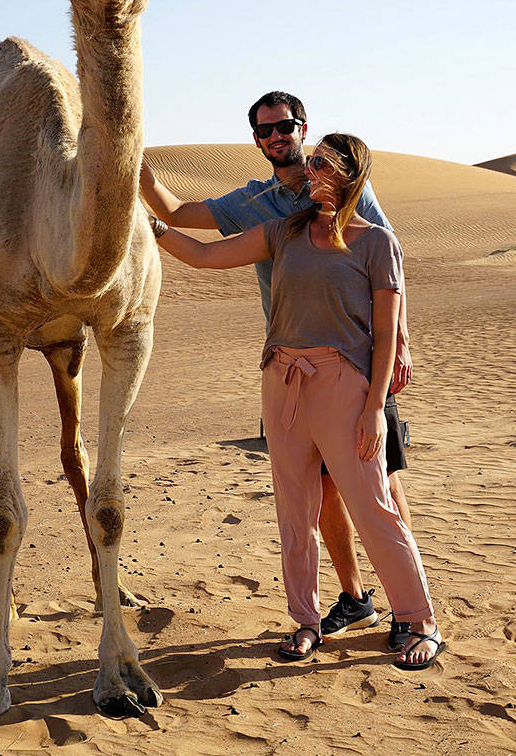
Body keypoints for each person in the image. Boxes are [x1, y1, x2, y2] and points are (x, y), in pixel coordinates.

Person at [147, 133, 445, 670]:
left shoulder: (377, 243)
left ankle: (420, 620)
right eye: (314, 163)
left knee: (374, 507)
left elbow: (385, 334)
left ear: (352, 174)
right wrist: (150, 225)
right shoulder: (283, 232)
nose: (313, 171)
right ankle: (306, 621)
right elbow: (204, 254)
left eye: (325, 164)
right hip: (281, 380)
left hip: (346, 386)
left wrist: (376, 406)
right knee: (294, 511)